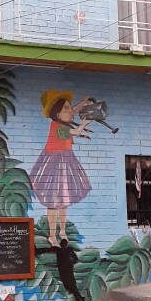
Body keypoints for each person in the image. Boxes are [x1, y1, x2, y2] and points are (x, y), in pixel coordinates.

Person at [30, 90, 92, 246]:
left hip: (65, 161)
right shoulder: (58, 127)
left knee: (64, 200)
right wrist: (85, 123)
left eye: (70, 108)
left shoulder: (62, 120)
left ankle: (62, 231)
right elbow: (76, 132)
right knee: (53, 201)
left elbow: (72, 111)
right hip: (53, 165)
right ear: (57, 113)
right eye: (66, 108)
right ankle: (52, 235)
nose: (71, 111)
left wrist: (83, 102)